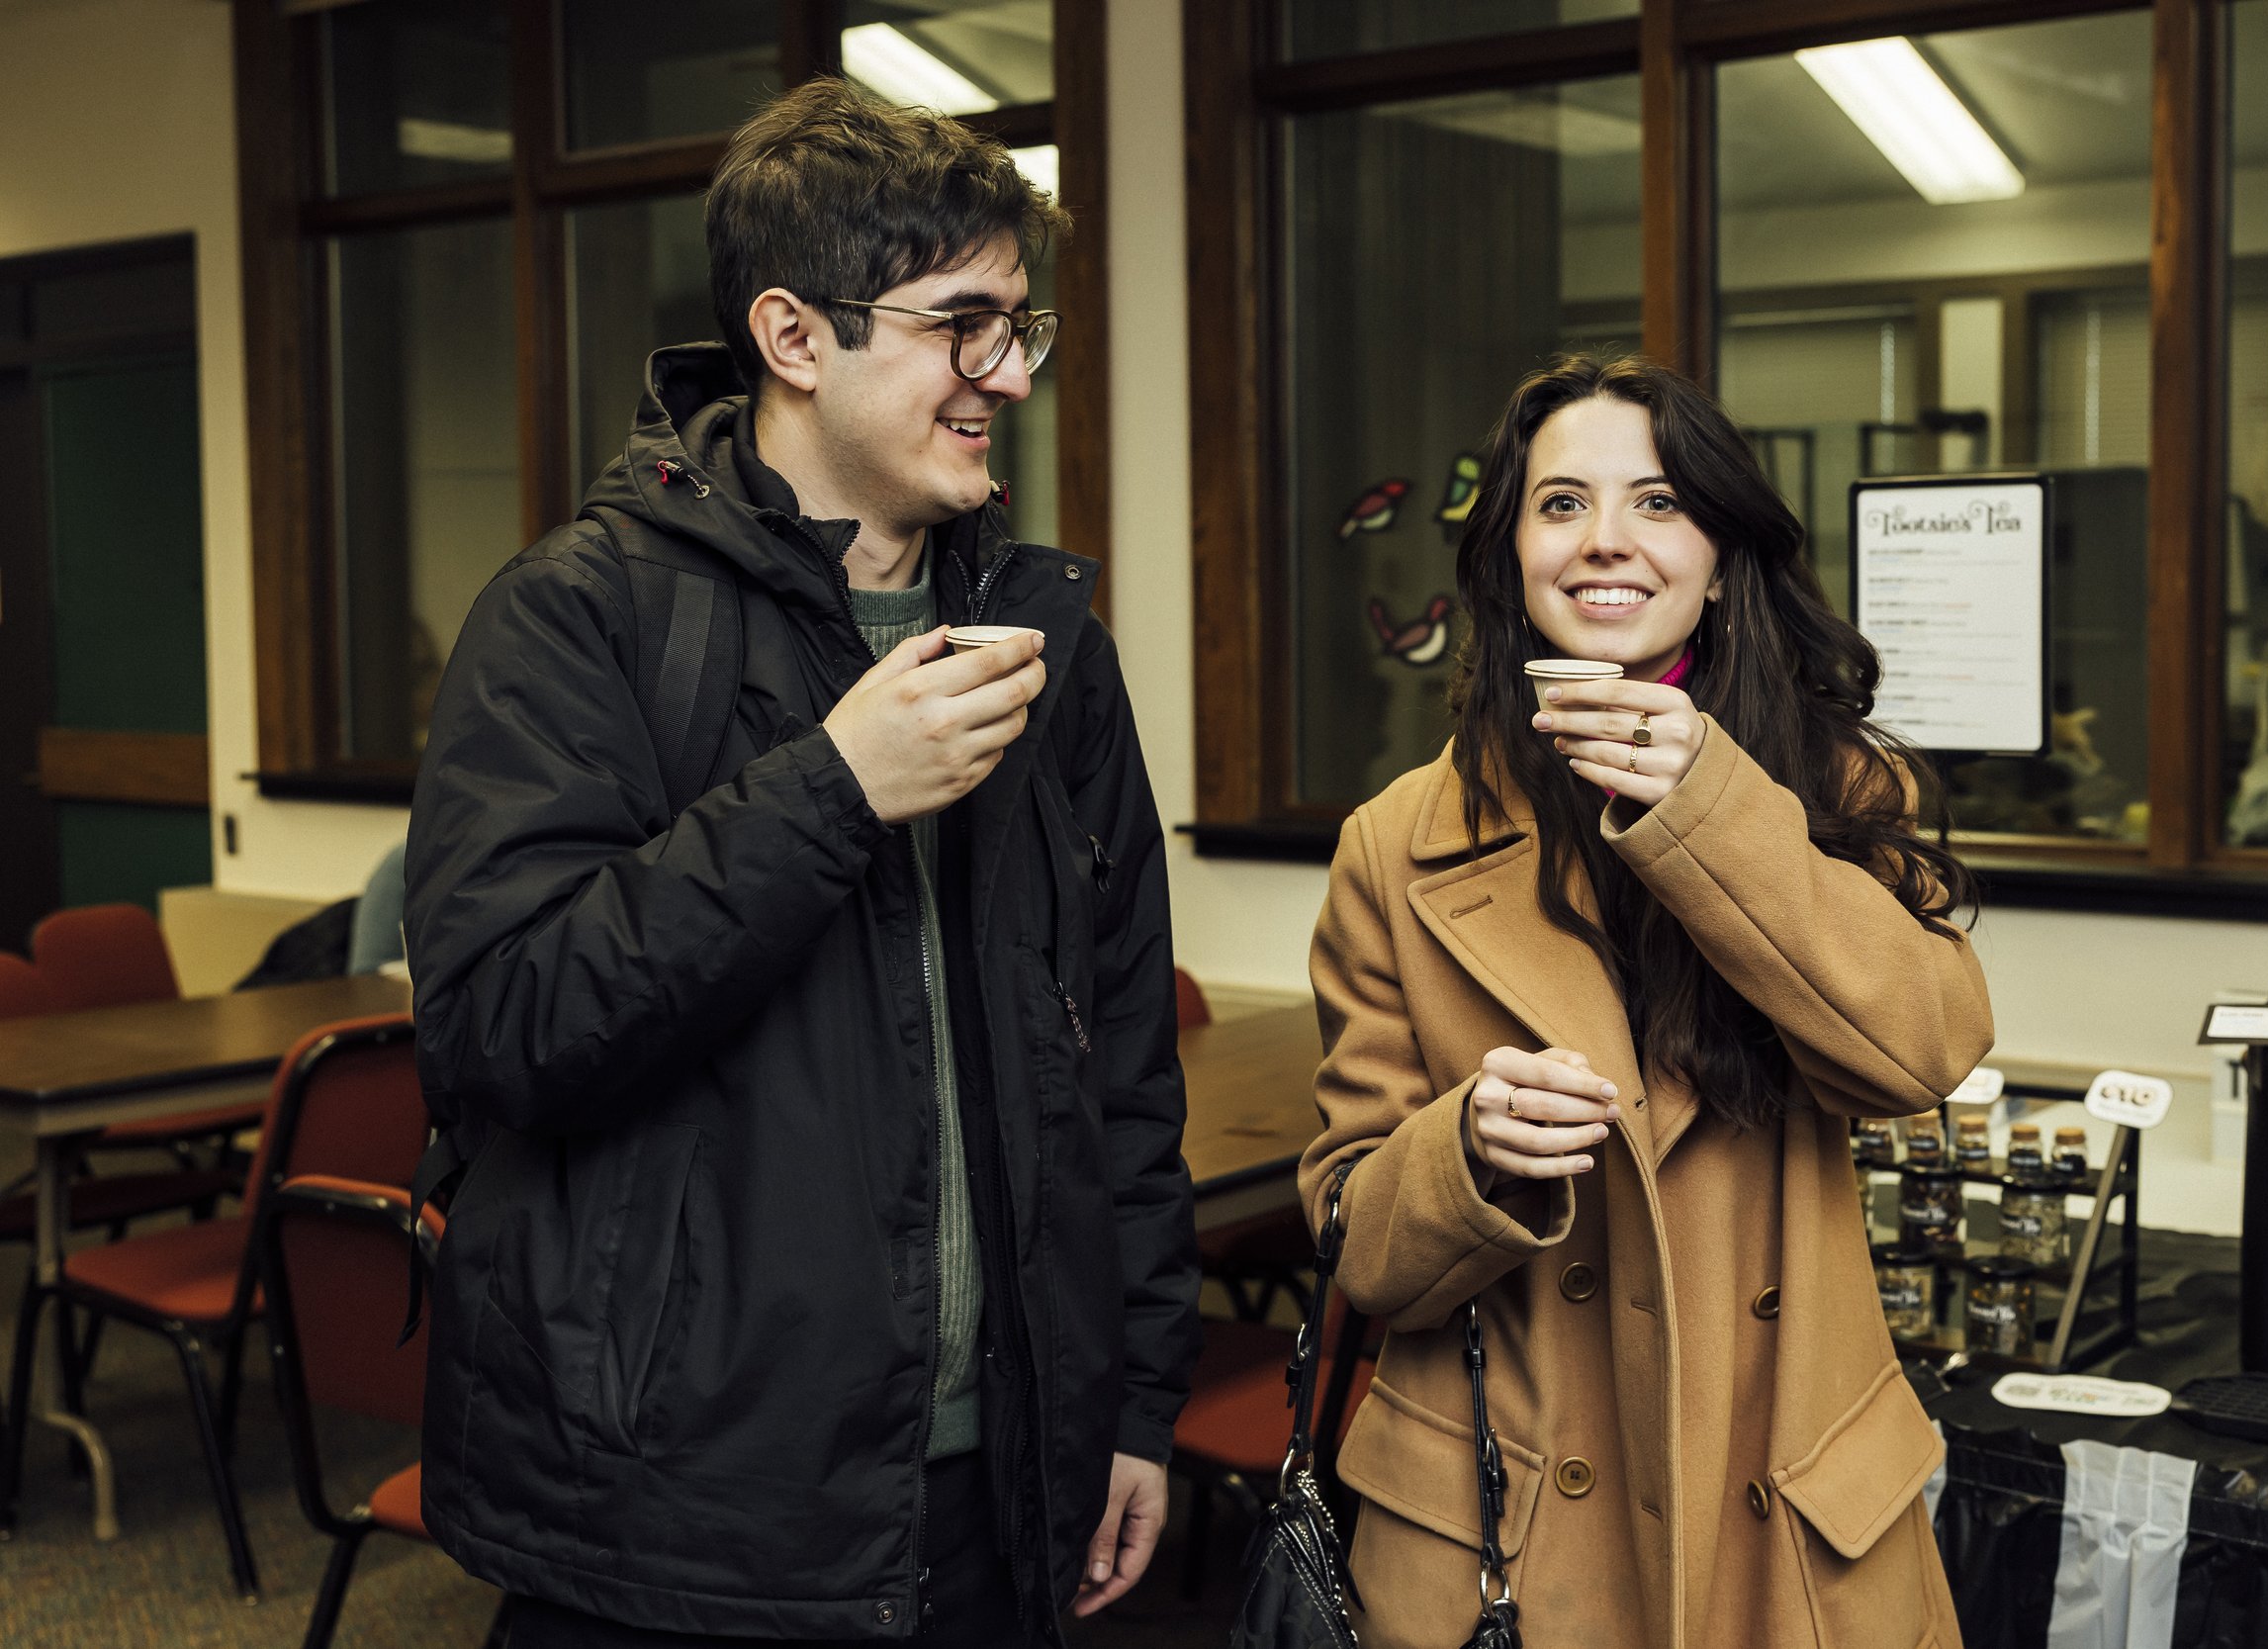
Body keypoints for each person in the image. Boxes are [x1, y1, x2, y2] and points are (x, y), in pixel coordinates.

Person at [405, 77, 1197, 1648]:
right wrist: (835, 791)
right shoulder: (578, 616)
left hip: (997, 1496)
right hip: (680, 1517)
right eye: (960, 327)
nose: (1006, 377)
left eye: (1019, 329)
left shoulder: (1043, 643)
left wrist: (1136, 1399)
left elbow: (1117, 1062)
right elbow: (503, 1026)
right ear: (793, 336)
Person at [1298, 354, 1993, 1649]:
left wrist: (1708, 810)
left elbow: (1922, 1051)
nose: (1606, 539)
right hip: (1510, 1534)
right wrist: (1466, 1151)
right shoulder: (1396, 845)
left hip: (1787, 1507)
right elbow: (1361, 1246)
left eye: (1659, 502)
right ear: (1509, 557)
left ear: (1720, 561)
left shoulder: (1838, 790)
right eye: (1561, 503)